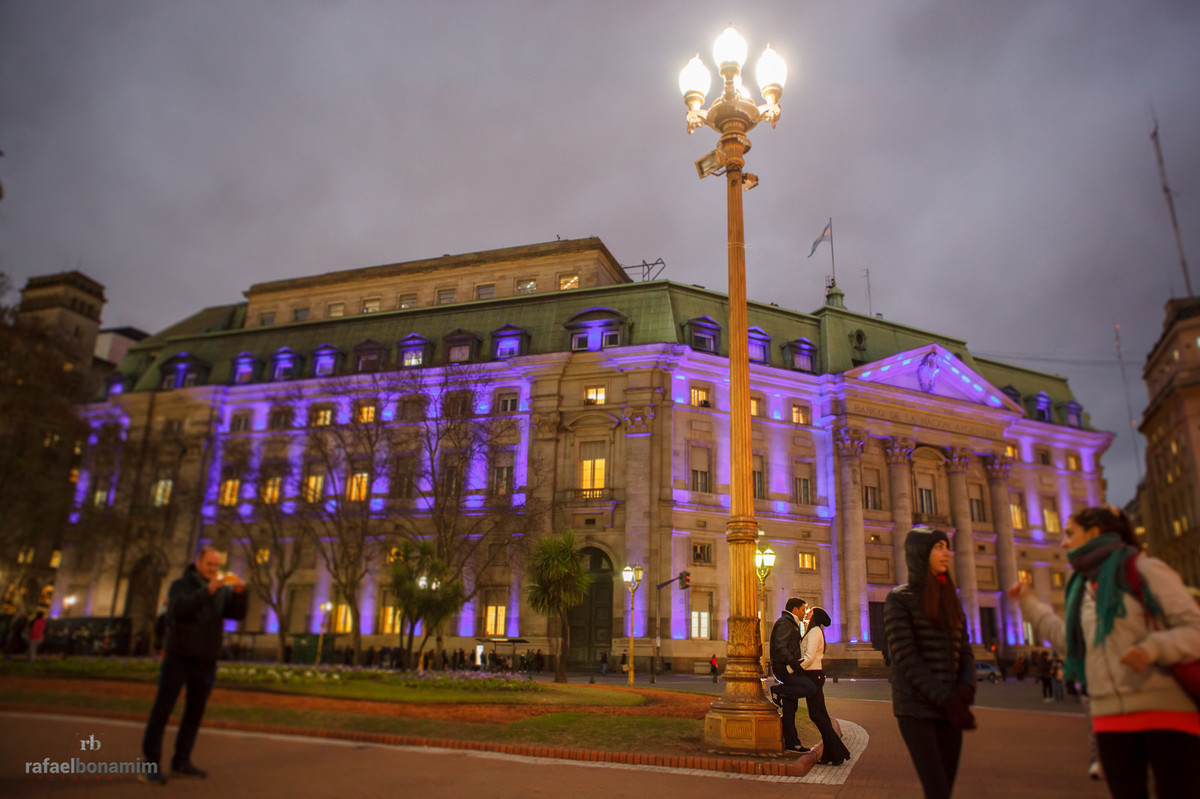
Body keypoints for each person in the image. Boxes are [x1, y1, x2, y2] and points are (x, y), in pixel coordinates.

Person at [1010, 505, 1200, 799]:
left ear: (1094, 532)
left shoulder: (1144, 568)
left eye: (1069, 533)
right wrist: (1031, 606)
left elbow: (1195, 630)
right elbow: (1071, 645)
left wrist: (1154, 648)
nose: (1063, 543)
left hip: (1165, 711)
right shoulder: (1081, 587)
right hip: (1110, 717)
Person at [141, 546, 247, 785]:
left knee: (194, 713)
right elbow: (179, 609)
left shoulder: (220, 591)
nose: (213, 569)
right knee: (163, 708)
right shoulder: (180, 585)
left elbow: (236, 614)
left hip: (205, 659)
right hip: (179, 656)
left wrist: (240, 594)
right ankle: (151, 763)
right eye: (209, 564)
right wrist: (207, 592)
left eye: (216, 566)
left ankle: (182, 760)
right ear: (198, 563)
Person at [884, 527, 977, 799]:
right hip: (917, 709)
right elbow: (906, 657)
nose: (947, 553)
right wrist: (946, 698)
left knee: (944, 790)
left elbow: (966, 650)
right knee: (936, 788)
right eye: (938, 547)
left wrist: (965, 689)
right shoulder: (898, 600)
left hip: (950, 708)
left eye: (947, 546)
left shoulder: (951, 598)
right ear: (919, 553)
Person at [801, 606, 851, 765]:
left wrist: (792, 669)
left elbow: (808, 657)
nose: (807, 612)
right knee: (820, 715)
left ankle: (838, 751)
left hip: (813, 674)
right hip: (814, 674)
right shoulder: (814, 630)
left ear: (815, 616)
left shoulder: (815, 631)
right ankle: (831, 754)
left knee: (816, 715)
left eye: (810, 611)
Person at [768, 597, 816, 754]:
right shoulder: (785, 623)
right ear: (795, 610)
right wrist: (794, 663)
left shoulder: (790, 623)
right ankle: (778, 691)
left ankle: (792, 742)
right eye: (803, 609)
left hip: (788, 667)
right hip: (784, 668)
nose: (804, 613)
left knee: (790, 708)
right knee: (810, 688)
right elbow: (780, 647)